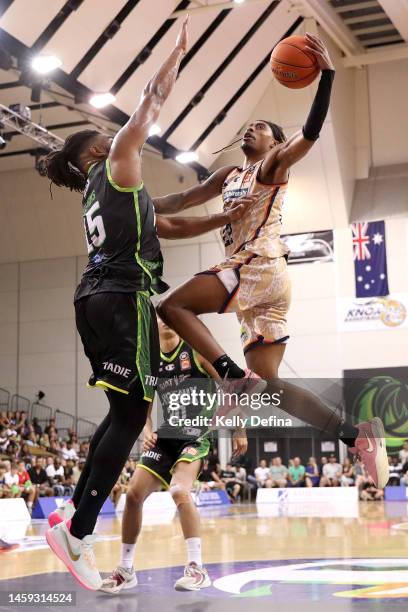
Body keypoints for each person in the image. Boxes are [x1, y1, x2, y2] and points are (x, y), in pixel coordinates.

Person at [41, 18, 247, 591]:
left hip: (93, 298)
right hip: (123, 297)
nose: (115, 136)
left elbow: (173, 212)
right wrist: (175, 53)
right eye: (105, 137)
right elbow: (149, 104)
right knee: (132, 418)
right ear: (96, 152)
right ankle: (79, 532)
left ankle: (69, 518)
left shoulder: (106, 189)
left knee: (120, 414)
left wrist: (218, 199)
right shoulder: (115, 161)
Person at [155, 34, 388, 491]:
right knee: (271, 387)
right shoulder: (228, 175)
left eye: (261, 127)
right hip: (256, 287)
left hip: (259, 265)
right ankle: (354, 435)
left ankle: (228, 376)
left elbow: (312, 133)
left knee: (171, 307)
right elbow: (182, 198)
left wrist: (326, 80)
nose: (251, 130)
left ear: (274, 142)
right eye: (250, 126)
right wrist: (135, 201)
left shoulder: (272, 167)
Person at [101, 316, 247, 593]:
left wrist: (239, 428)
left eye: (170, 318)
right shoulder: (150, 363)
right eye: (161, 319)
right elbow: (145, 408)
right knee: (133, 494)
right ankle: (126, 569)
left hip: (197, 434)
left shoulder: (195, 351)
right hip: (165, 438)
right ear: (153, 327)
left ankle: (197, 568)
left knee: (180, 490)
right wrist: (147, 430)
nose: (167, 322)